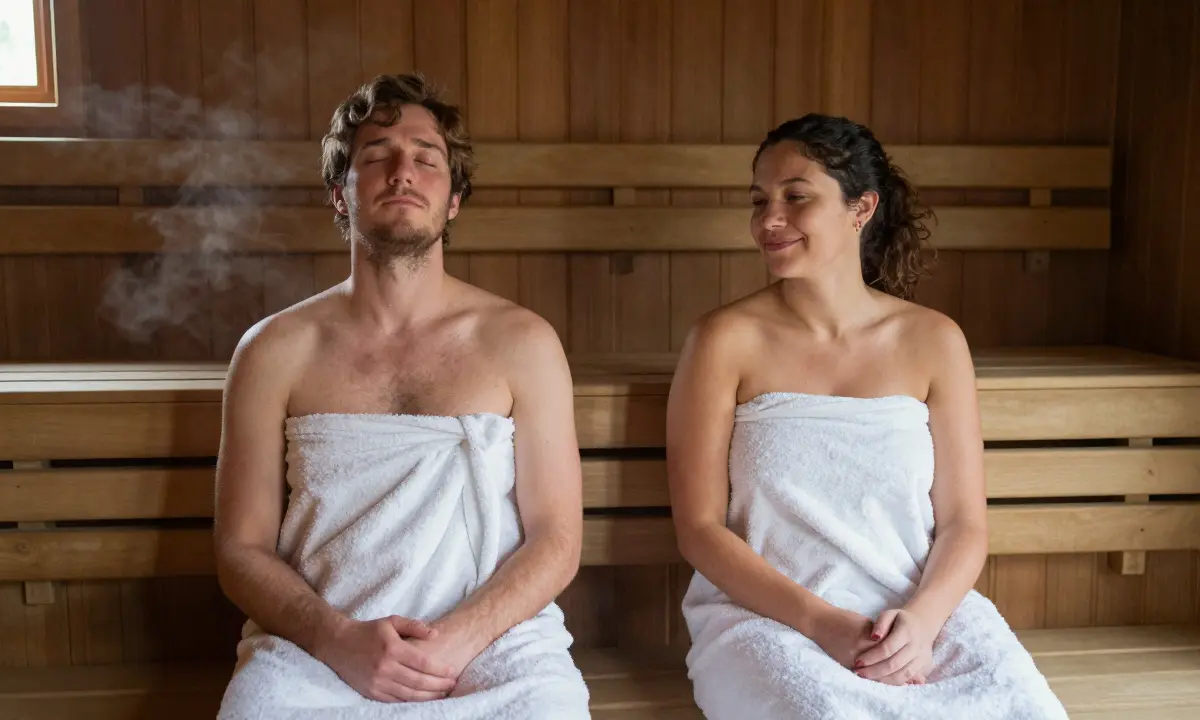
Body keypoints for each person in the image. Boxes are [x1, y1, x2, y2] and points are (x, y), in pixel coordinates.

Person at [213, 73, 590, 719]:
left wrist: (461, 639)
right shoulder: (274, 350)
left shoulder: (520, 342)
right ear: (341, 193)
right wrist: (337, 639)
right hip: (319, 647)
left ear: (453, 201)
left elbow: (556, 538)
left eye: (426, 157)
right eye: (376, 154)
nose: (402, 171)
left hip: (495, 644)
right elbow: (240, 550)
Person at [667, 114, 1067, 719]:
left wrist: (924, 620)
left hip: (915, 607)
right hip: (766, 616)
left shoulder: (933, 340)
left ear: (861, 208)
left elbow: (963, 523)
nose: (768, 219)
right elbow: (700, 528)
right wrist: (822, 622)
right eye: (759, 200)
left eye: (795, 197)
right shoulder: (725, 341)